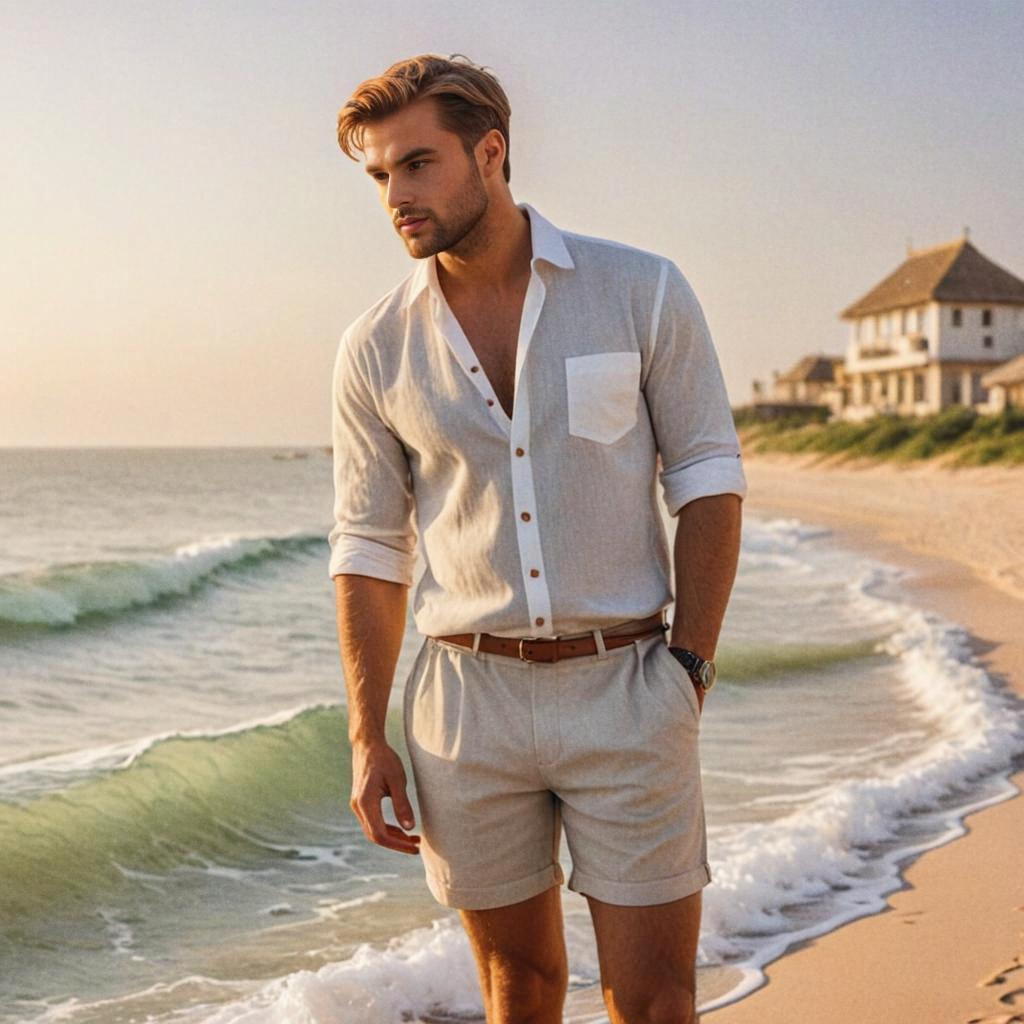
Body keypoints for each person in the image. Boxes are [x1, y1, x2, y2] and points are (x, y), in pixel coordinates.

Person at [329, 52, 745, 1024]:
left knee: (654, 998)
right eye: (379, 175)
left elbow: (709, 484)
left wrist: (688, 667)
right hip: (464, 707)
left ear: (491, 152)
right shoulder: (375, 345)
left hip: (628, 687)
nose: (395, 194)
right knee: (519, 989)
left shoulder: (640, 290)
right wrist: (365, 734)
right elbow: (368, 548)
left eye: (417, 164)